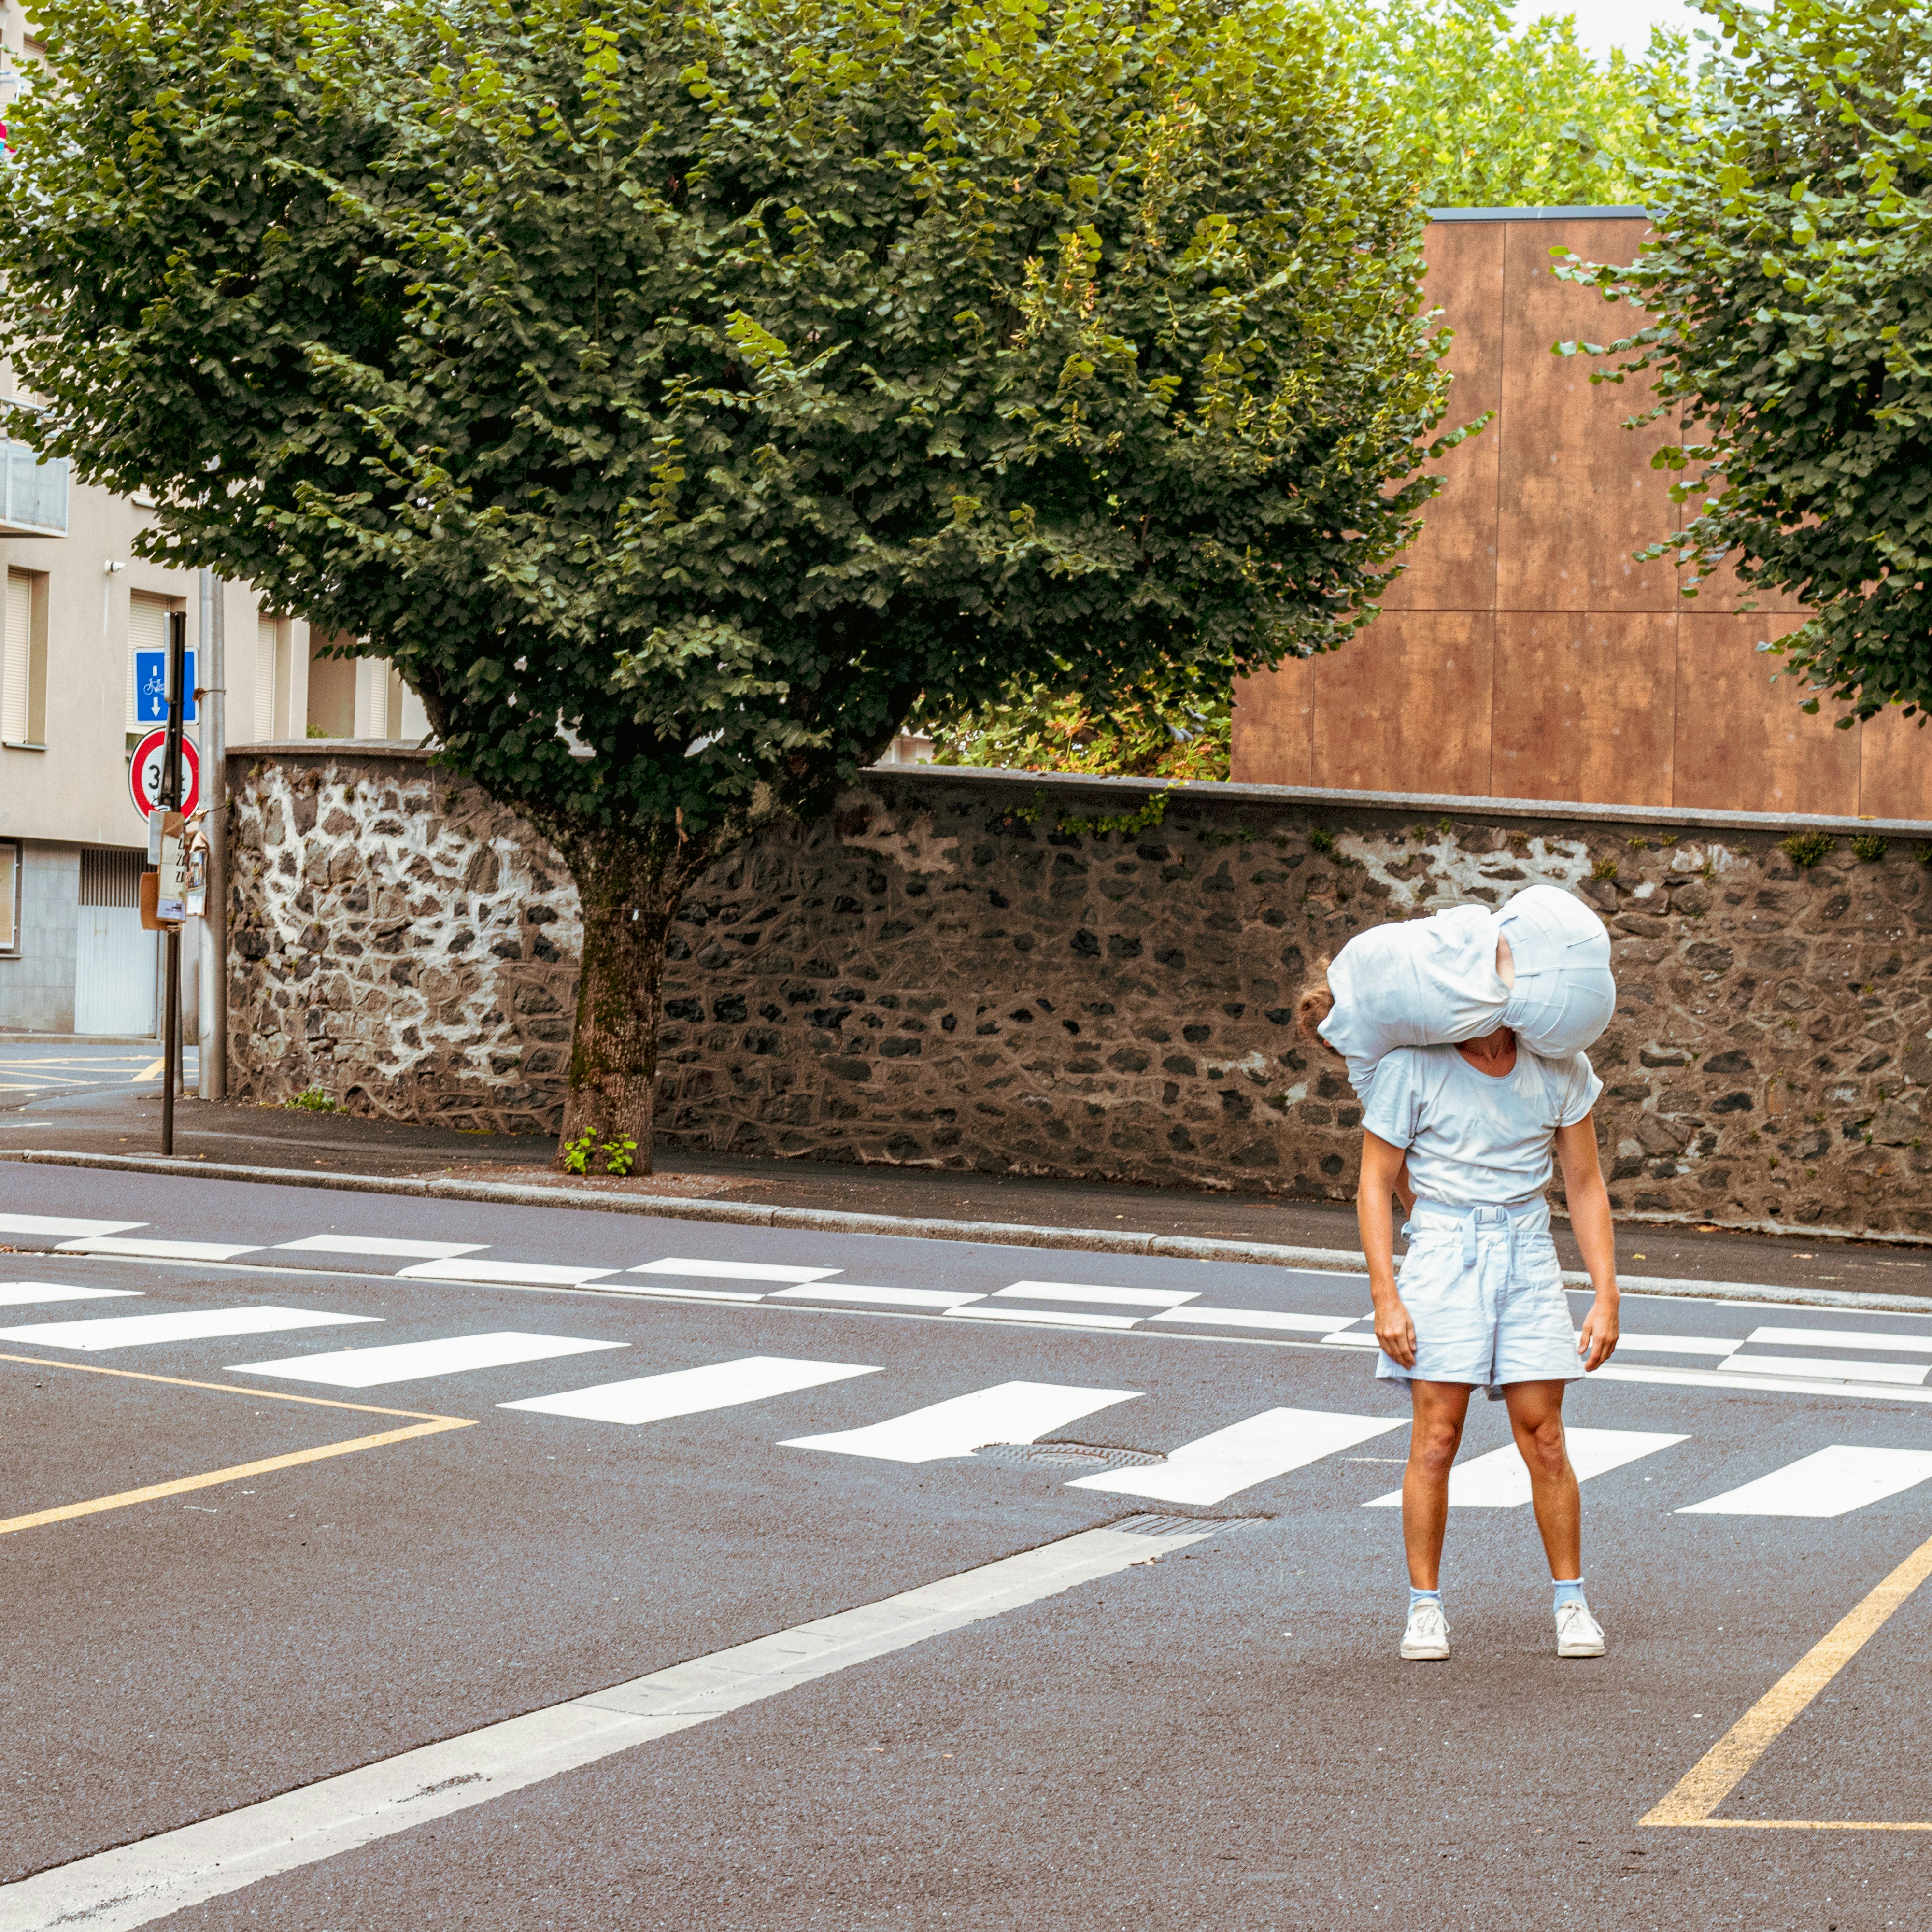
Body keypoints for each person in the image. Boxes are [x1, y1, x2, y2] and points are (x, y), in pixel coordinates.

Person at [1351, 1020, 1621, 1662]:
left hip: (1527, 1249)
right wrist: (1385, 1297)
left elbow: (1584, 1182)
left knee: (1546, 1437)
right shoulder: (1413, 1067)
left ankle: (1571, 1601)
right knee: (1437, 1437)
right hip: (1444, 1250)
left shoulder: (1558, 1064)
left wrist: (1607, 1294)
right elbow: (1373, 1182)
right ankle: (1425, 1608)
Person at [1297, 883, 1615, 1103]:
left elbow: (1382, 1123)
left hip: (1557, 1006)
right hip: (1552, 924)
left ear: (1328, 1040)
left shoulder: (1359, 1050)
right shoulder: (1357, 950)